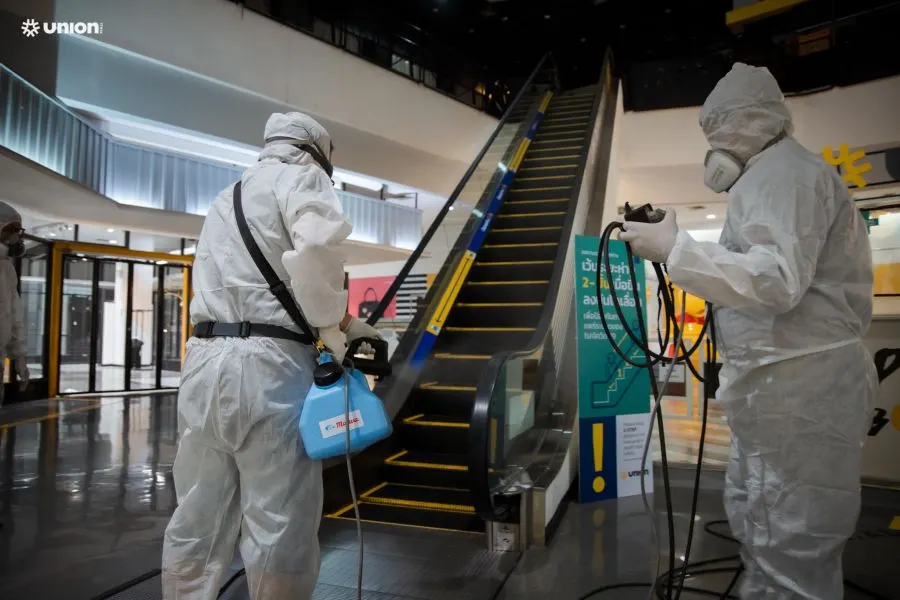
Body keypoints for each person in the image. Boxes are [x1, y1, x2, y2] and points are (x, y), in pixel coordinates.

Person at [619, 63, 878, 599]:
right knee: (765, 512)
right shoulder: (772, 175)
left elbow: (777, 280)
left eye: (720, 130)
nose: (714, 148)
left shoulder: (784, 174)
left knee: (791, 527)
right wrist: (683, 250)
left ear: (749, 122)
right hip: (781, 380)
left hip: (798, 381)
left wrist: (677, 251)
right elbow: (762, 269)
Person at [162, 112, 382, 600]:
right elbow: (316, 249)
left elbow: (246, 286)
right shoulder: (303, 178)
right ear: (317, 154)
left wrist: (342, 322)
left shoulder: (226, 197)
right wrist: (333, 326)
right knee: (278, 521)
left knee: (197, 513)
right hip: (270, 370)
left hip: (203, 363)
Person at [0, 201, 29, 407]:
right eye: (11, 229)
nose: (15, 237)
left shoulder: (6, 269)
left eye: (18, 230)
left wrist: (19, 356)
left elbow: (13, 315)